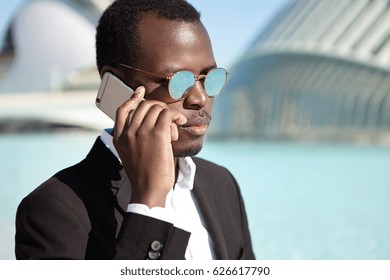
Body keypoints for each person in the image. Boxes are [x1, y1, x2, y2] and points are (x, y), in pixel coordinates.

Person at [15, 0, 254, 260]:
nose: (200, 98)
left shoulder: (221, 184)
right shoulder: (51, 211)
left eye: (210, 78)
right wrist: (149, 201)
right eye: (178, 81)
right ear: (116, 86)